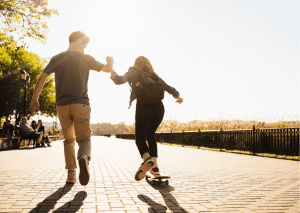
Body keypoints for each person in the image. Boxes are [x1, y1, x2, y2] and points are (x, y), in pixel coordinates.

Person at [29, 31, 113, 185]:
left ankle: (71, 175)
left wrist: (35, 99)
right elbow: (107, 69)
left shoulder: (57, 58)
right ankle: (83, 157)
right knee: (85, 139)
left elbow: (42, 77)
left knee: (69, 141)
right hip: (81, 104)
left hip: (62, 106)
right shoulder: (86, 59)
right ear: (78, 43)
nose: (84, 49)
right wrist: (110, 63)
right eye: (84, 45)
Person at [107, 56, 183, 181]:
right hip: (159, 108)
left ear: (136, 64)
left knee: (140, 138)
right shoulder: (154, 75)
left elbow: (119, 80)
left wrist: (111, 70)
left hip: (143, 107)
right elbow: (169, 88)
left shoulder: (133, 71)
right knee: (150, 135)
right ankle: (155, 169)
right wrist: (178, 98)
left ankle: (146, 158)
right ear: (148, 64)